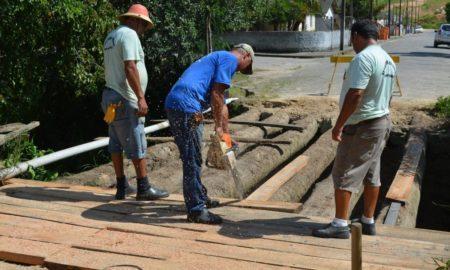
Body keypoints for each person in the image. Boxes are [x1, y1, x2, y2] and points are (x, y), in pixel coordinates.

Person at [313, 19, 396, 239]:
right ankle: (368, 221)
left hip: (362, 125)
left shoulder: (364, 58)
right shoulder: (387, 59)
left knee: (343, 173)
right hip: (380, 121)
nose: (352, 43)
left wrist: (339, 125)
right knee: (371, 174)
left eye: (352, 39)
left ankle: (340, 224)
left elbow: (355, 94)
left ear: (357, 35)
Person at [164, 44, 254, 224]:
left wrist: (226, 136)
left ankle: (200, 197)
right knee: (192, 159)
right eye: (246, 66)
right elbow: (217, 94)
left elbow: (223, 104)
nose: (240, 70)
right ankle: (196, 210)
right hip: (186, 107)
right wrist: (218, 127)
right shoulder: (230, 60)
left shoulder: (219, 58)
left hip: (178, 105)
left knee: (192, 156)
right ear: (246, 57)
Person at [101, 4, 169, 201]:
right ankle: (143, 186)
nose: (142, 29)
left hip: (110, 98)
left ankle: (122, 186)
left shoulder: (111, 36)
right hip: (125, 97)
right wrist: (140, 97)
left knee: (115, 141)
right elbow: (130, 66)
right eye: (143, 25)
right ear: (136, 21)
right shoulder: (130, 35)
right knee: (136, 139)